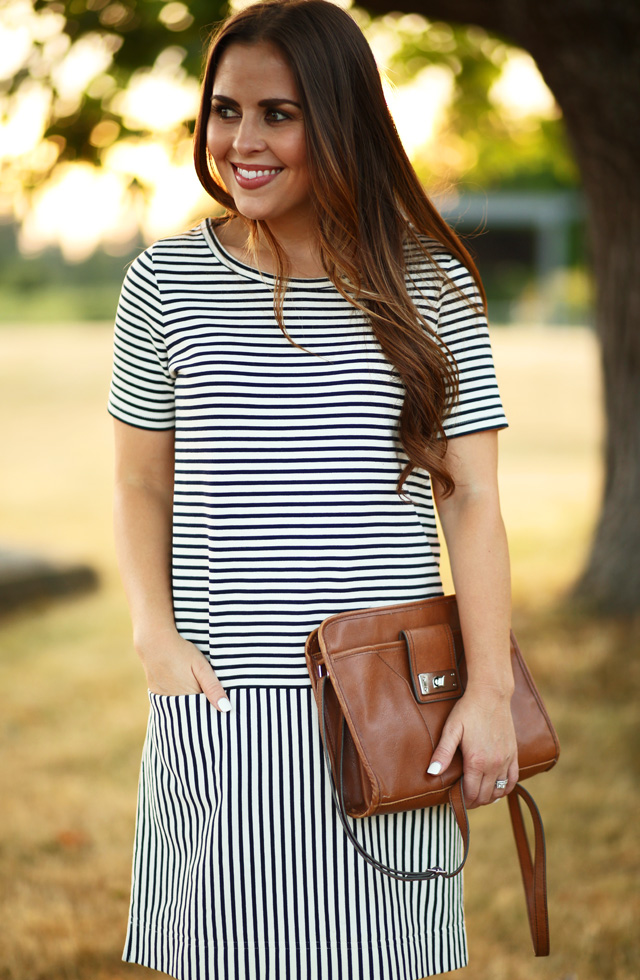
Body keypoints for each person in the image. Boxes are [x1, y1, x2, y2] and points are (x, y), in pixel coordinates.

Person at [109, 1, 517, 977]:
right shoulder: (162, 284)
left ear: (339, 119)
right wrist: (154, 636)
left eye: (278, 114)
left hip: (387, 700)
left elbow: (470, 501)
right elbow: (138, 486)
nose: (242, 141)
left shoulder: (433, 286)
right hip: (223, 694)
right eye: (225, 110)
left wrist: (490, 688)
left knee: (378, 956)